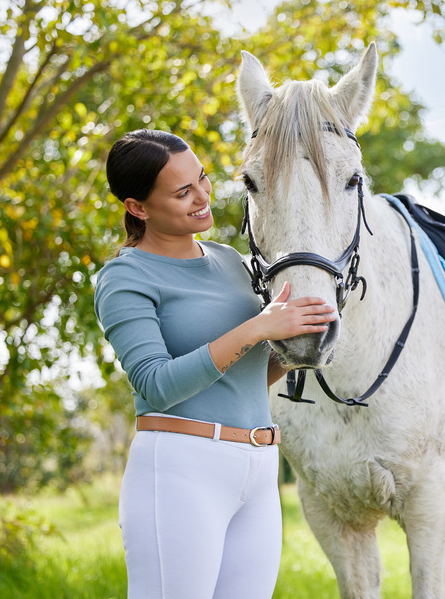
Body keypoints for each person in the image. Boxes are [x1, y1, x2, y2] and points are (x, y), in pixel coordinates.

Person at [94, 129, 336, 598]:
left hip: (259, 465)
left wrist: (295, 345)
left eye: (202, 179)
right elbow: (156, 384)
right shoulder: (125, 276)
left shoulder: (231, 261)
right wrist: (258, 328)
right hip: (181, 468)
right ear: (137, 207)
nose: (202, 196)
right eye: (183, 192)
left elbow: (245, 377)